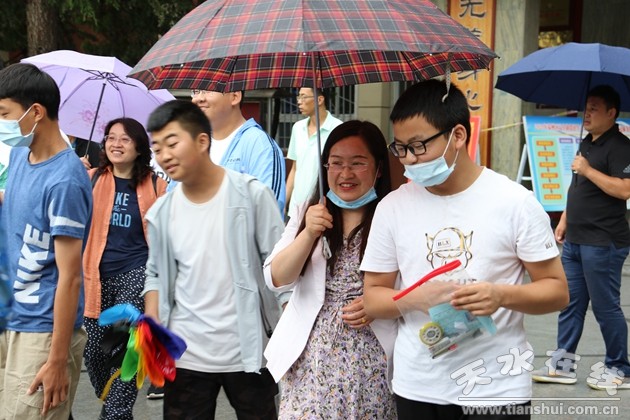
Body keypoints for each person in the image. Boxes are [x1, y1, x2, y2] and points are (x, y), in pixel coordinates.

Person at [360, 79, 569, 420]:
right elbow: (372, 298)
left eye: (418, 146)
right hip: (418, 386)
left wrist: (500, 296)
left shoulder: (515, 202)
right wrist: (416, 298)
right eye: (400, 148)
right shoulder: (392, 207)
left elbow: (557, 291)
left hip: (496, 388)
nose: (410, 159)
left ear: (457, 135)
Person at [143, 99, 284, 419]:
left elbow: (278, 265)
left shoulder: (250, 195)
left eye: (172, 143)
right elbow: (155, 274)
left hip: (247, 350)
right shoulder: (163, 211)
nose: (164, 155)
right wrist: (152, 321)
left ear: (202, 141)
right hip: (185, 356)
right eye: (157, 147)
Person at [264, 120, 397, 418]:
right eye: (336, 163)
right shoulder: (308, 211)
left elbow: (414, 285)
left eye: (358, 163)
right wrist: (308, 233)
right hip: (310, 359)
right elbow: (276, 277)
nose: (345, 174)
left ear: (378, 169)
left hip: (373, 362)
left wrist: (380, 304)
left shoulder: (395, 215)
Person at [0, 63, 92, 419]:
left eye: (4, 114)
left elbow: (70, 276)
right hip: (9, 316)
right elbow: (23, 207)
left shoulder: (66, 180)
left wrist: (57, 360)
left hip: (42, 330)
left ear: (36, 112)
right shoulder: (20, 157)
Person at [531, 85, 630, 390]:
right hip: (575, 238)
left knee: (605, 307)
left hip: (603, 241)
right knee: (570, 303)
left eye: (594, 108)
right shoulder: (586, 142)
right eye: (586, 107)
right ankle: (562, 366)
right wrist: (564, 220)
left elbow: (624, 190)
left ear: (611, 113)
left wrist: (588, 170)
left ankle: (620, 368)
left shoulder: (621, 146)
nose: (586, 114)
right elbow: (577, 188)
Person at [81, 117, 167, 419]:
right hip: (94, 278)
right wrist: (74, 174)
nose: (116, 144)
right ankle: (115, 405)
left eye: (125, 139)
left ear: (139, 147)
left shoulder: (156, 185)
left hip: (135, 274)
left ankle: (116, 411)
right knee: (94, 352)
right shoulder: (90, 178)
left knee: (124, 345)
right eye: (111, 137)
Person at [188, 89, 286, 215]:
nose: (198, 98)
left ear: (234, 96)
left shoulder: (260, 145)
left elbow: (268, 211)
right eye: (196, 91)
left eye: (208, 90)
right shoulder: (193, 144)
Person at [285, 87, 342, 218]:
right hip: (295, 209)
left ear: (319, 100)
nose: (299, 101)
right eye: (299, 97)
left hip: (322, 208)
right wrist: (283, 202)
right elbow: (295, 169)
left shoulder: (337, 128)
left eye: (304, 97)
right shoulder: (297, 128)